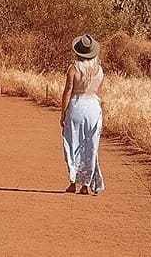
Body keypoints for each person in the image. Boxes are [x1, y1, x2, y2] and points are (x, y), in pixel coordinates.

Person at [60, 33, 105, 195]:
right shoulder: (99, 70)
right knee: (90, 146)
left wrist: (63, 114)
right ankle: (86, 184)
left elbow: (68, 92)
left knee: (72, 144)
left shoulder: (73, 69)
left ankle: (73, 182)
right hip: (94, 108)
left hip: (77, 106)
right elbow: (100, 94)